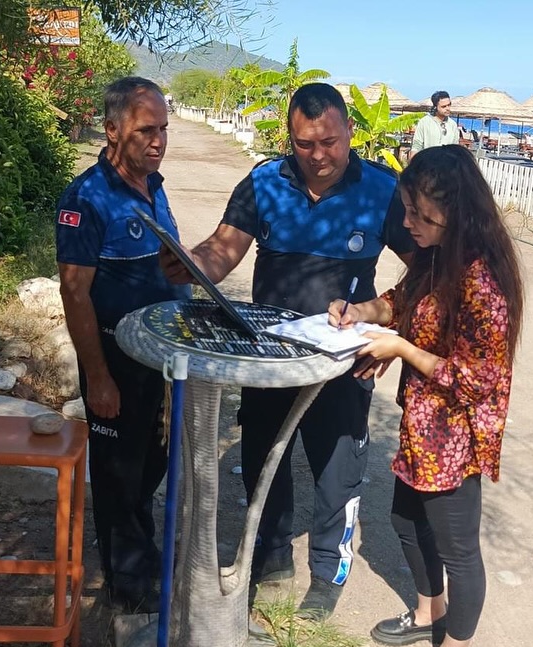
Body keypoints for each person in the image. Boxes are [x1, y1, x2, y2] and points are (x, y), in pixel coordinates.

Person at [160, 82, 414, 619]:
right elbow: (222, 251)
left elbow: (426, 272)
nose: (318, 157)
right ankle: (271, 557)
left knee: (337, 469)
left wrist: (395, 336)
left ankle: (328, 573)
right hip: (269, 357)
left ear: (350, 132)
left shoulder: (382, 190)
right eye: (304, 144)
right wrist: (187, 265)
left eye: (329, 142)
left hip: (344, 360)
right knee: (263, 455)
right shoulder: (263, 182)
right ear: (289, 138)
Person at [327, 145, 525, 647]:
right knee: (407, 524)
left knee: (459, 550)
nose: (407, 223)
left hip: (456, 438)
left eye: (418, 214)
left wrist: (402, 350)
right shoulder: (439, 258)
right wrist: (360, 312)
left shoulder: (484, 284)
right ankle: (427, 610)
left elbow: (476, 381)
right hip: (422, 425)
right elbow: (400, 300)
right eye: (407, 210)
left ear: (455, 212)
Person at [56, 76, 191, 613]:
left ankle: (138, 558)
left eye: (163, 129)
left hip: (160, 363)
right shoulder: (86, 200)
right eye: (144, 131)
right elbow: (74, 292)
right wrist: (99, 377)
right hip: (116, 361)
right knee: (118, 474)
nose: (157, 141)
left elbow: (168, 269)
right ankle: (131, 590)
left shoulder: (153, 186)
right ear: (112, 131)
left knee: (150, 467)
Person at [409, 91, 460, 159]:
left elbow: (455, 148)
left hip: (447, 166)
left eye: (449, 105)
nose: (448, 108)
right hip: (427, 164)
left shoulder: (452, 124)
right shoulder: (424, 122)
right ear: (435, 107)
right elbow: (417, 145)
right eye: (443, 106)